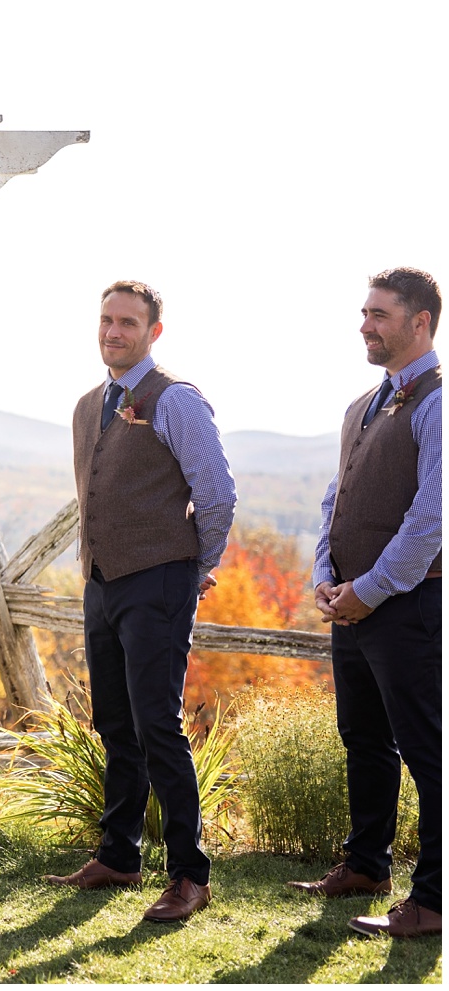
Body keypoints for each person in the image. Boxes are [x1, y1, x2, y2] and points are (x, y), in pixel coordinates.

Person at [45, 280, 236, 924]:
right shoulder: (87, 405)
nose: (113, 332)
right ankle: (120, 854)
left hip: (158, 579)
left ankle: (189, 874)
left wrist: (196, 566)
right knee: (114, 723)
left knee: (158, 725)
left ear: (154, 331)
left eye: (127, 322)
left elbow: (215, 491)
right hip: (102, 582)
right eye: (106, 321)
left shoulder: (175, 399)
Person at [291, 267, 441, 941]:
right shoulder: (362, 404)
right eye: (364, 311)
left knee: (429, 751)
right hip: (350, 603)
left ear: (421, 322)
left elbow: (431, 516)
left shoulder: (438, 403)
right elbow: (335, 499)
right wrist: (328, 576)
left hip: (410, 605)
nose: (365, 324)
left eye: (380, 313)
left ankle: (433, 899)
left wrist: (371, 589)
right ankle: (366, 864)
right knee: (365, 739)